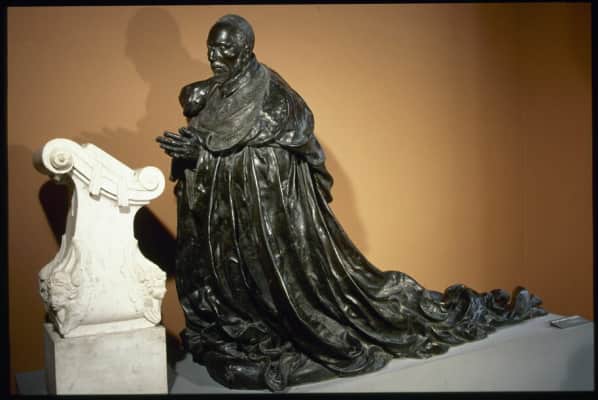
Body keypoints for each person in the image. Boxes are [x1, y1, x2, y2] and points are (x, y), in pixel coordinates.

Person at [156, 14, 546, 391]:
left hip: (272, 230)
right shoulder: (208, 94)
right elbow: (213, 137)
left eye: (225, 49)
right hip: (229, 239)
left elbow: (276, 157)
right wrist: (196, 156)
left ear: (245, 51)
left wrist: (206, 154)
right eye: (211, 48)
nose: (215, 57)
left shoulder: (274, 98)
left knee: (330, 309)